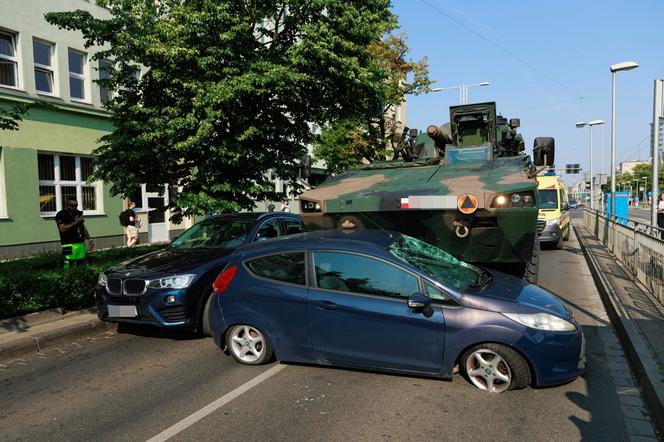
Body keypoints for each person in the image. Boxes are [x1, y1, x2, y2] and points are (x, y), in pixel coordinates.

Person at [55, 198, 93, 269]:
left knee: (80, 264)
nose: (74, 207)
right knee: (68, 264)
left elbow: (82, 227)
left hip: (79, 243)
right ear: (66, 205)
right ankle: (68, 278)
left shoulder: (78, 213)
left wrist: (89, 239)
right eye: (72, 205)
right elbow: (62, 229)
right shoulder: (61, 214)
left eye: (76, 205)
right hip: (68, 243)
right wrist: (77, 221)